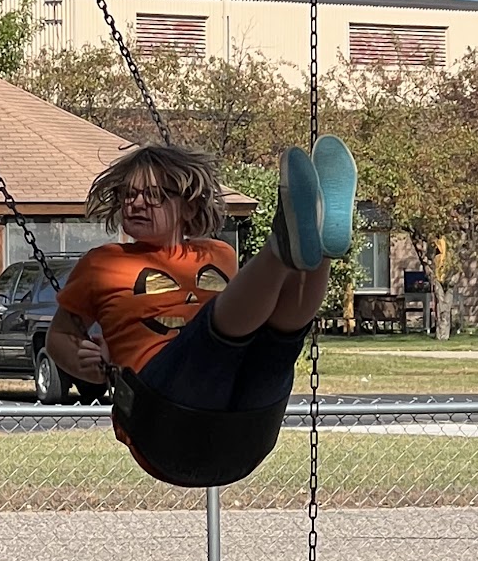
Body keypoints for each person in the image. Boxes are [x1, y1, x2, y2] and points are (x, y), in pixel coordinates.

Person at [45, 135, 357, 473]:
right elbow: (59, 335)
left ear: (189, 206)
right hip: (162, 413)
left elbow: (251, 308)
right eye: (128, 194)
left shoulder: (218, 253)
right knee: (213, 335)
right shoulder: (102, 263)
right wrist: (80, 362)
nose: (136, 204)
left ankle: (322, 244)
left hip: (245, 426)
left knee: (276, 342)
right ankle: (282, 245)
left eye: (153, 196)